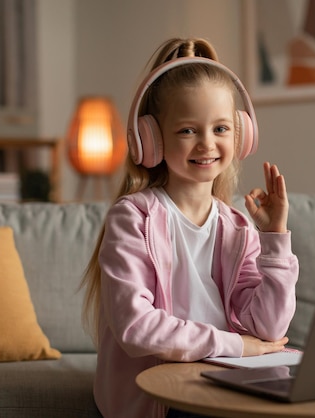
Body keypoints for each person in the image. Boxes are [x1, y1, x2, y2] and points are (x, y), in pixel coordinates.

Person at [80, 37, 299, 418]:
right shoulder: (133, 217)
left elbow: (267, 327)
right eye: (187, 131)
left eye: (220, 128)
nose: (206, 144)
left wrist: (274, 239)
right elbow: (137, 328)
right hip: (163, 396)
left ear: (241, 135)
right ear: (150, 138)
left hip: (224, 379)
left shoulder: (237, 226)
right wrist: (236, 346)